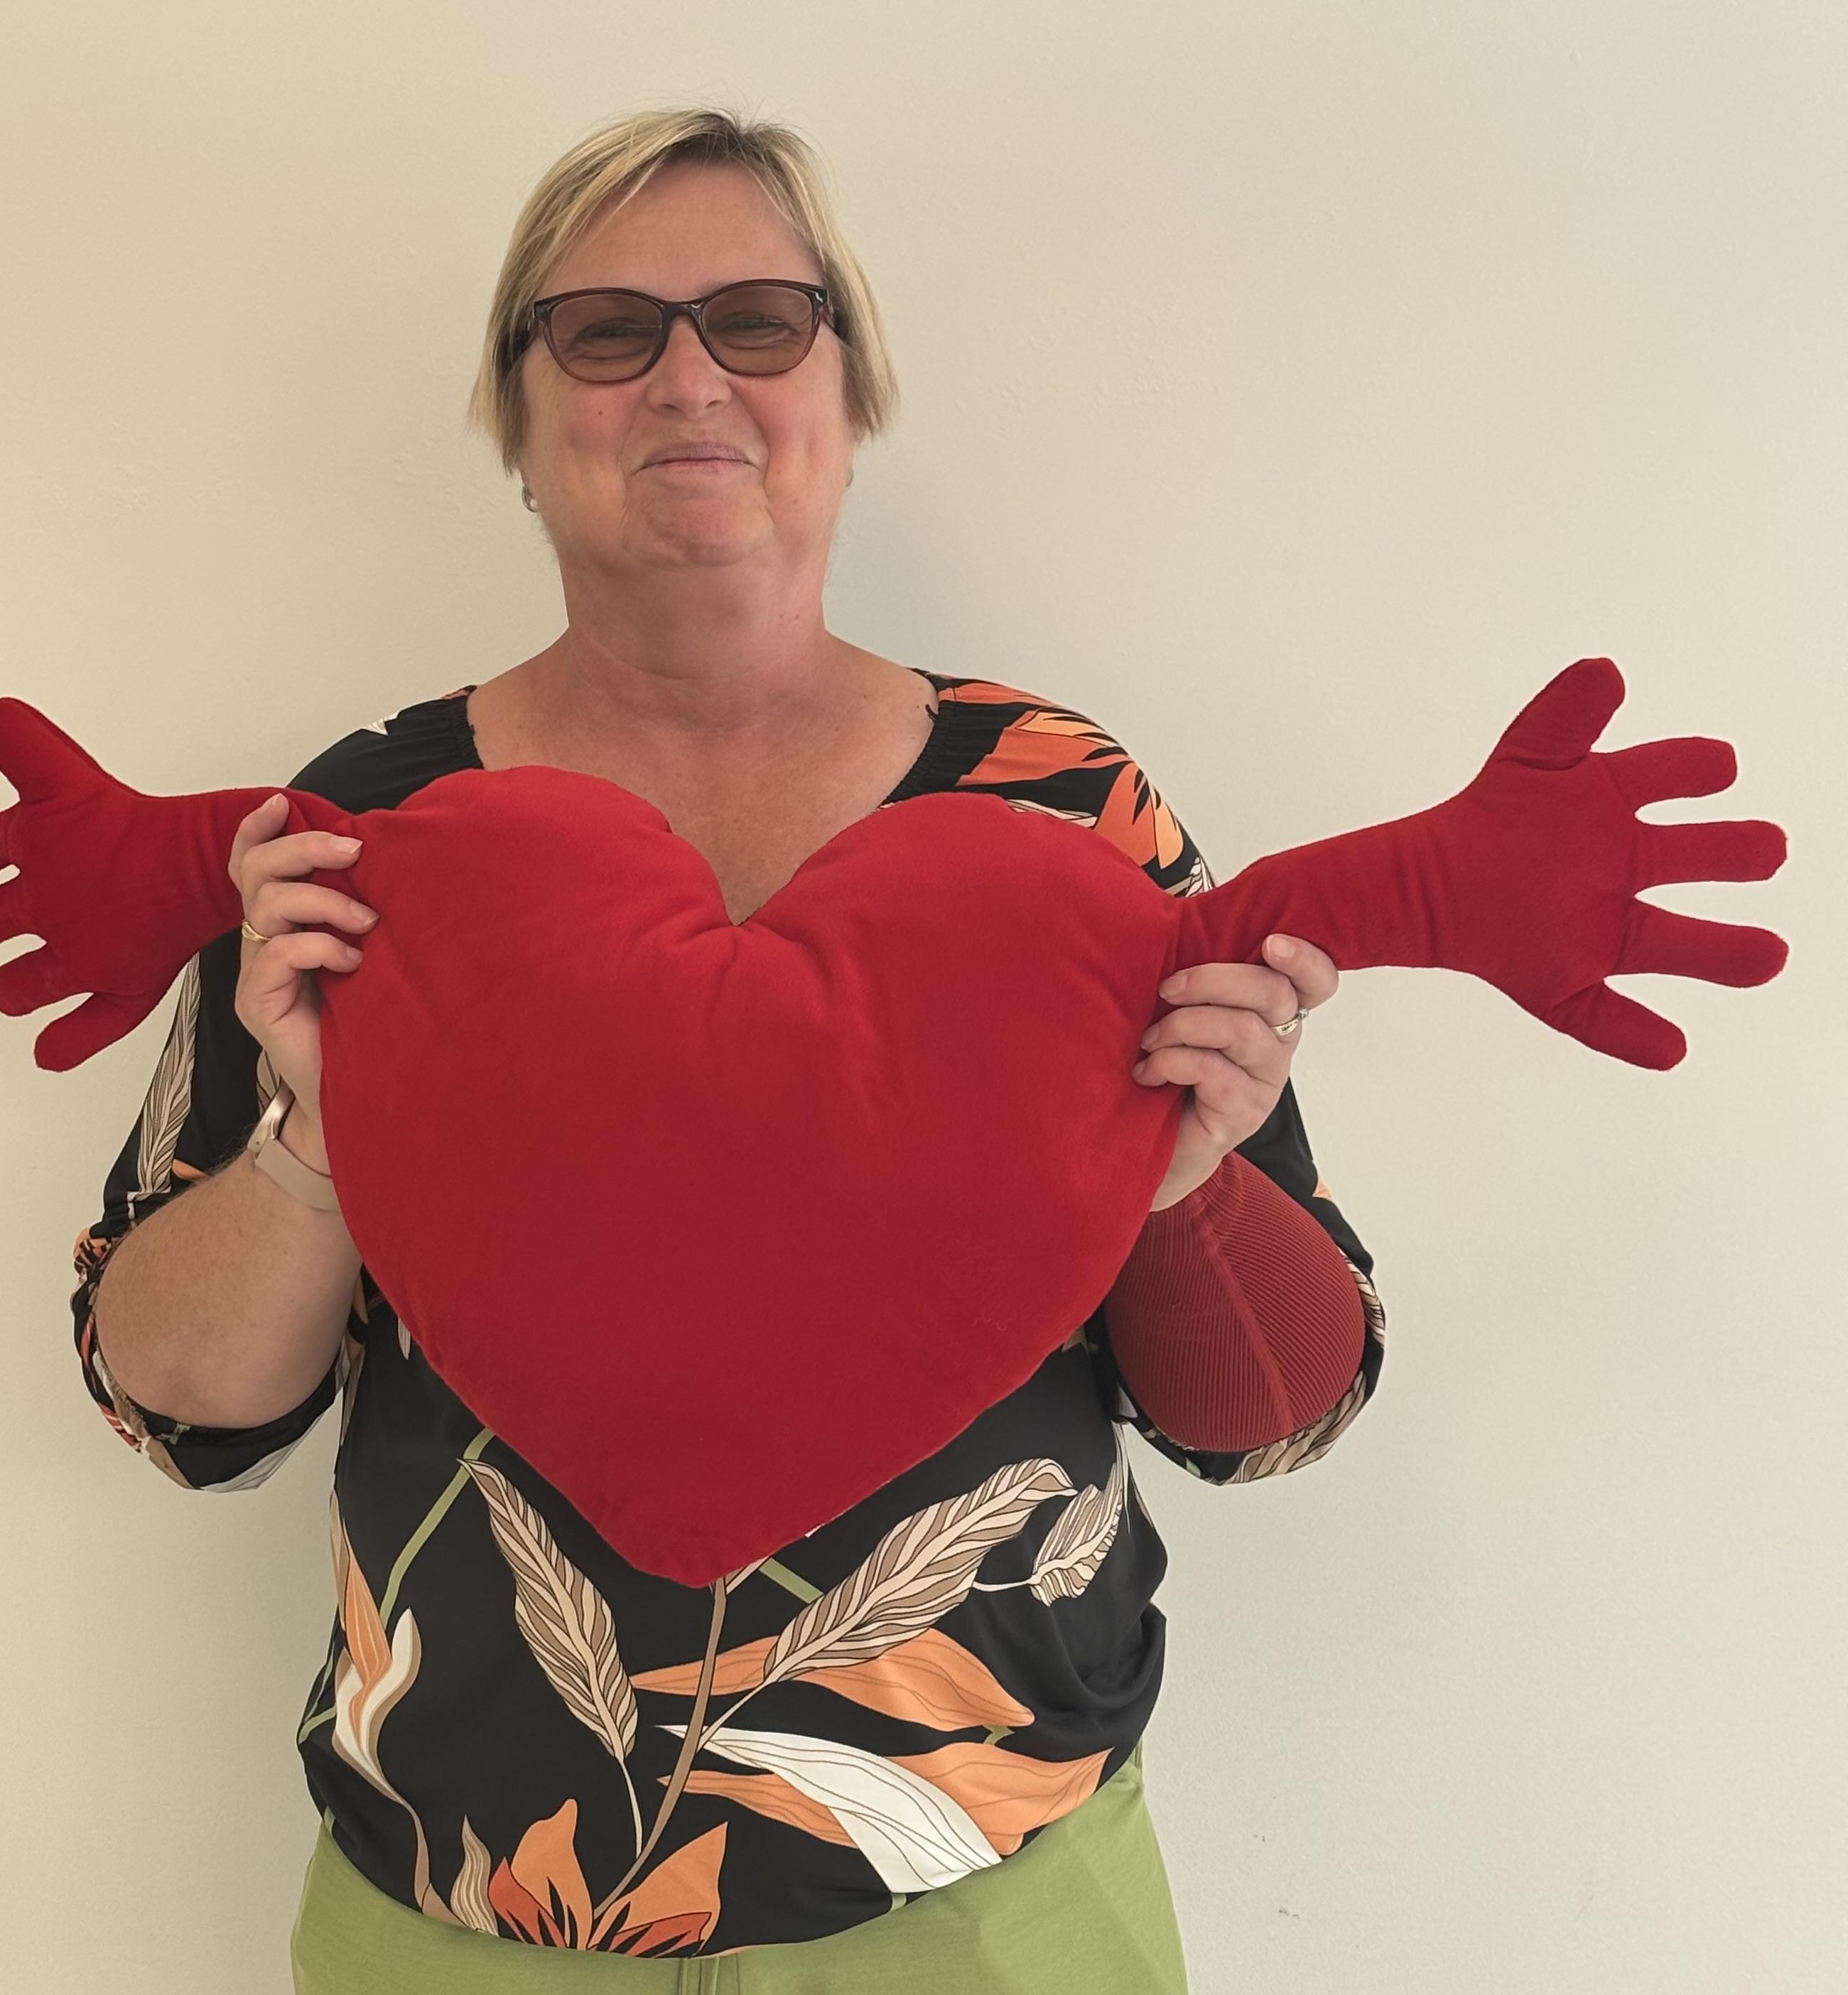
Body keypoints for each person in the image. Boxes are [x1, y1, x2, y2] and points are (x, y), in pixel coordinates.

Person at [74, 107, 1385, 1992]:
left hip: (993, 1907)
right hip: (470, 1913)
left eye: (759, 321)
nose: (688, 378)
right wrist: (318, 1143)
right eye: (606, 331)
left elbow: (1273, 1415)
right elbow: (174, 1405)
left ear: (850, 389)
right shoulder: (368, 832)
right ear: (521, 416)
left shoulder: (1063, 811)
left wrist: (1184, 1186)